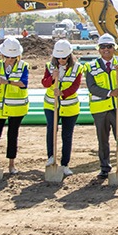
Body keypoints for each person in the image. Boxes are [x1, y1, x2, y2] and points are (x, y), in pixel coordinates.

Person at [85, 33, 118, 180]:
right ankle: (104, 168)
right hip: (100, 109)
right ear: (99, 49)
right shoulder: (91, 66)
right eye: (103, 47)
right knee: (103, 139)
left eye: (109, 46)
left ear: (114, 48)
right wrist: (109, 93)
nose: (106, 49)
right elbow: (92, 87)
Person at [41, 39, 83, 177]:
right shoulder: (49, 66)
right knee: (51, 130)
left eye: (64, 58)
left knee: (67, 135)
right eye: (58, 58)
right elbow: (45, 83)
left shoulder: (77, 68)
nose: (61, 60)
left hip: (69, 106)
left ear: (69, 56)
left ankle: (65, 164)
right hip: (51, 105)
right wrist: (52, 79)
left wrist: (63, 93)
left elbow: (75, 86)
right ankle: (51, 157)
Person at [0, 36, 30, 175]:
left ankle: (11, 164)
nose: (10, 60)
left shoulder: (23, 66)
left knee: (12, 135)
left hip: (16, 108)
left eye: (13, 57)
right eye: (7, 56)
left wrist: (7, 82)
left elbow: (23, 83)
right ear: (2, 54)